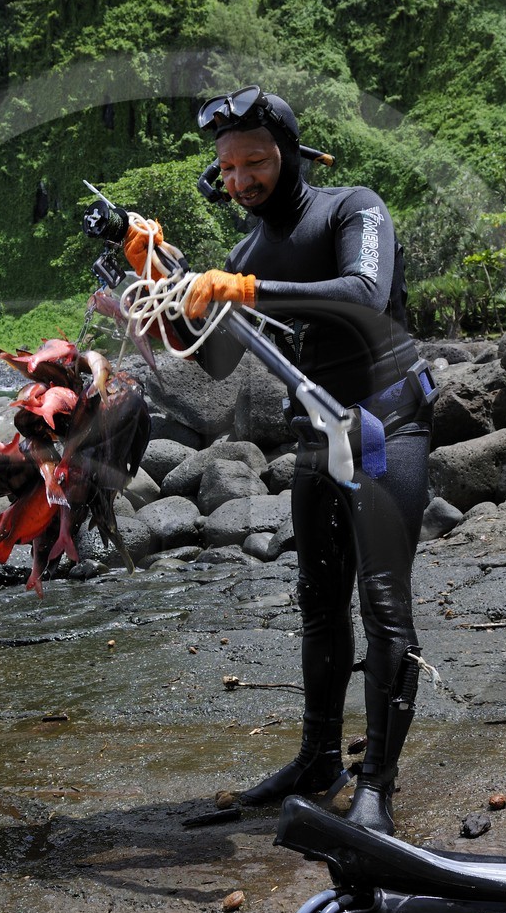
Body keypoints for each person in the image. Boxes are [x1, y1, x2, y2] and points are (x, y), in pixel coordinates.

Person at [171, 86, 432, 835]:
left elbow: (364, 292)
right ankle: (319, 759)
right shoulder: (246, 253)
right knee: (319, 603)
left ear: (289, 154)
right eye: (228, 168)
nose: (241, 179)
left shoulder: (354, 209)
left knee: (384, 607)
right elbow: (218, 360)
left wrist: (246, 289)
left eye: (255, 161)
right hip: (317, 435)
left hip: (385, 424)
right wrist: (159, 312)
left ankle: (375, 786)